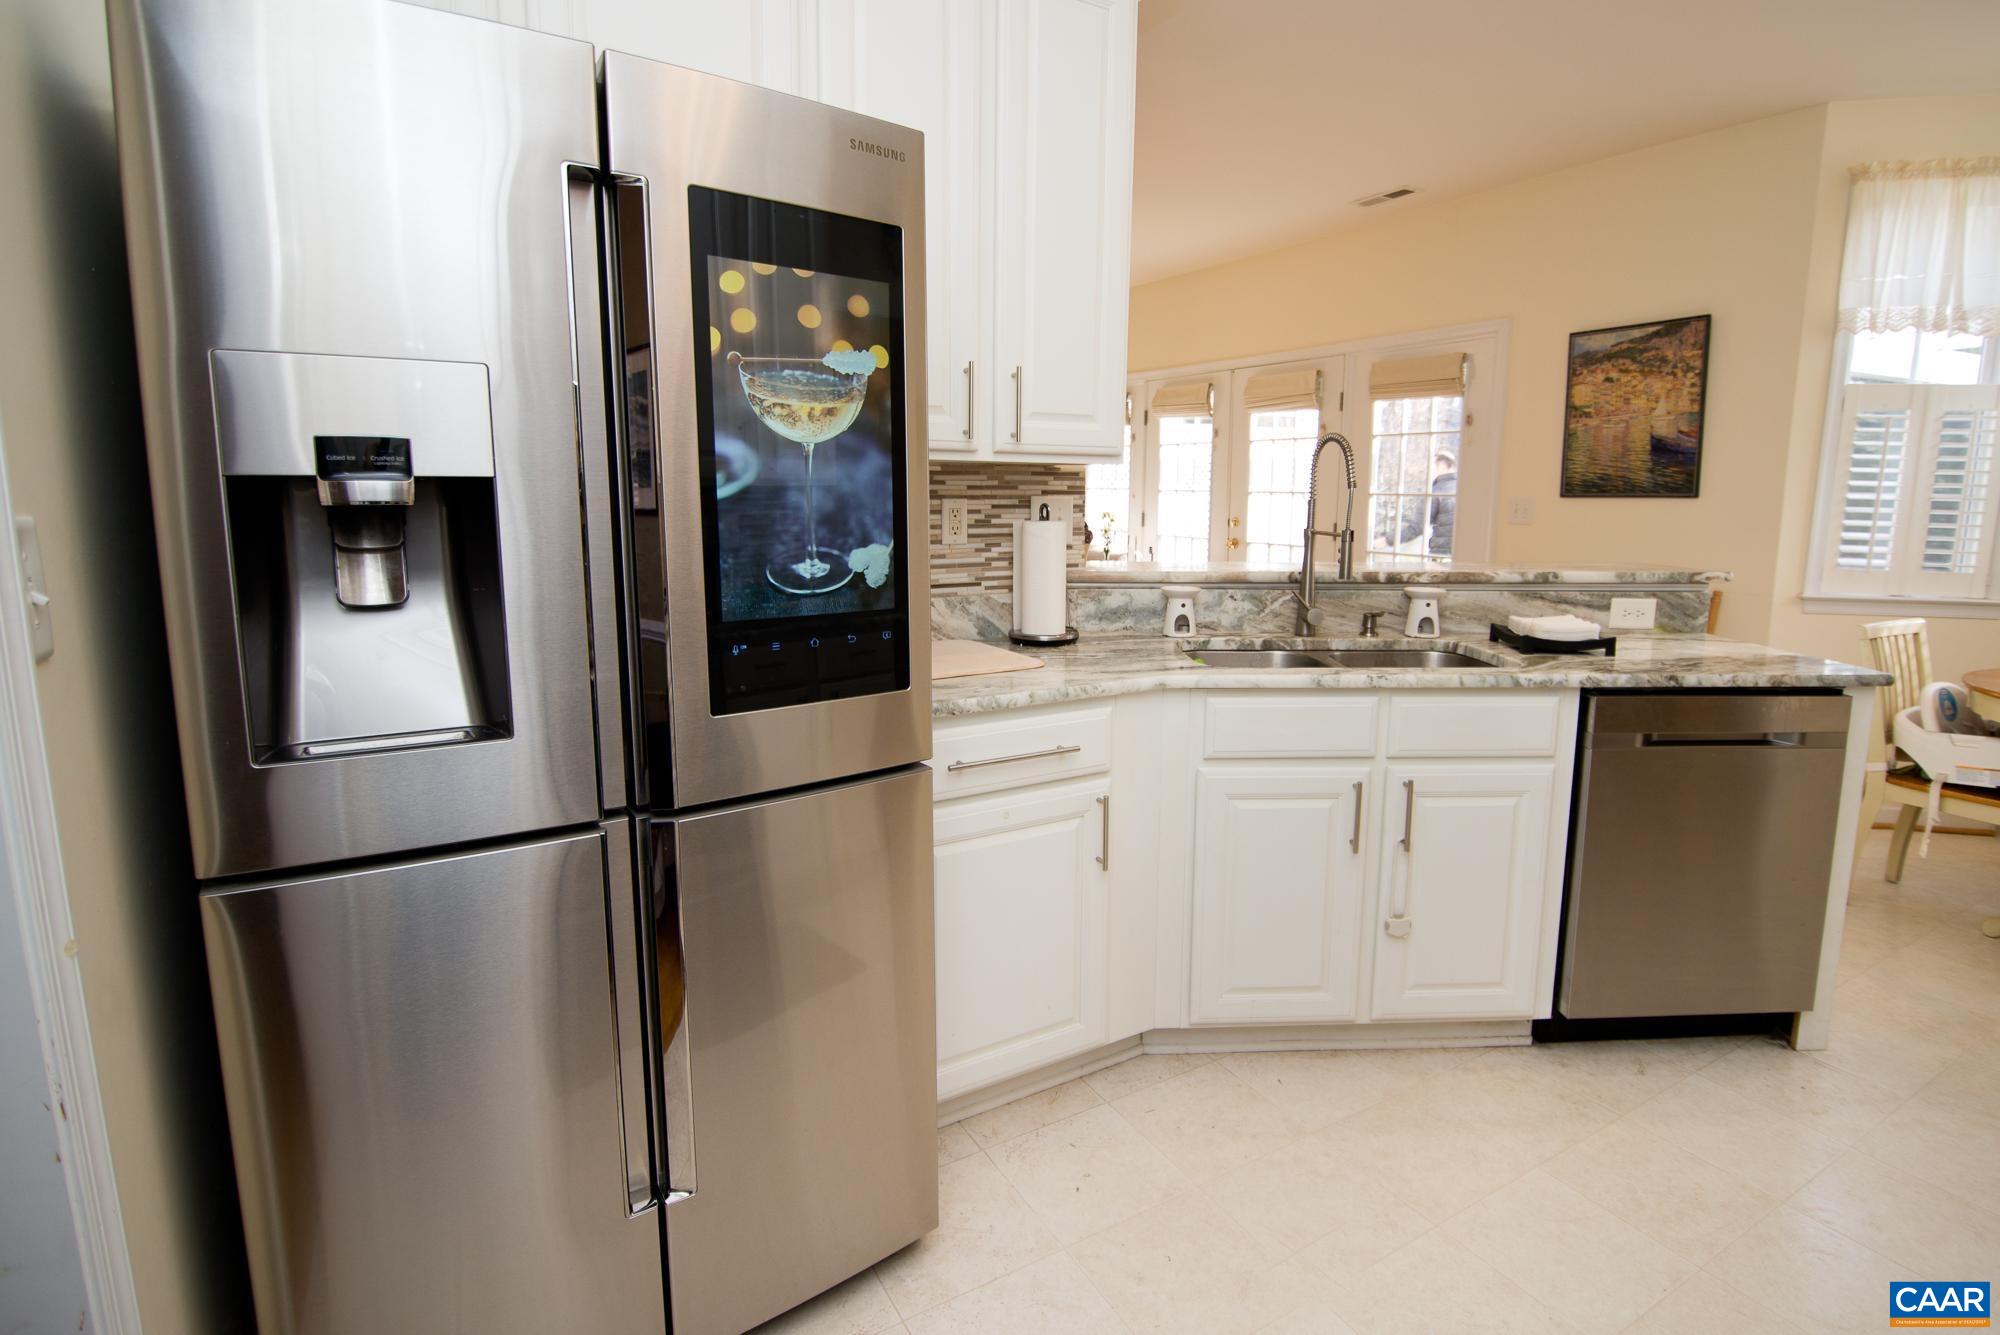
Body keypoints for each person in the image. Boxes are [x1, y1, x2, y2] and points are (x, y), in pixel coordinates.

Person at [1396, 447, 1456, 557]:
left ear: (1442, 466)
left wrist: (1387, 539)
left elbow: (1417, 527)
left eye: (1431, 466)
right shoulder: (1465, 490)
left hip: (1441, 555)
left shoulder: (1436, 491)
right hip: (1461, 554)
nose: (1427, 471)